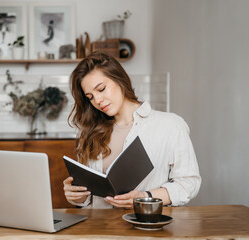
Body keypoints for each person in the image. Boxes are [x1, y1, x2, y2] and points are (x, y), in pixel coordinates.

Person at [63, 52, 201, 209]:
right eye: (90, 97)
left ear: (119, 79)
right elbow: (89, 198)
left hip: (147, 229)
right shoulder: (91, 131)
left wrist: (145, 197)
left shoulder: (171, 125)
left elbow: (189, 184)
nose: (97, 101)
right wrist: (77, 195)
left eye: (101, 89)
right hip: (100, 229)